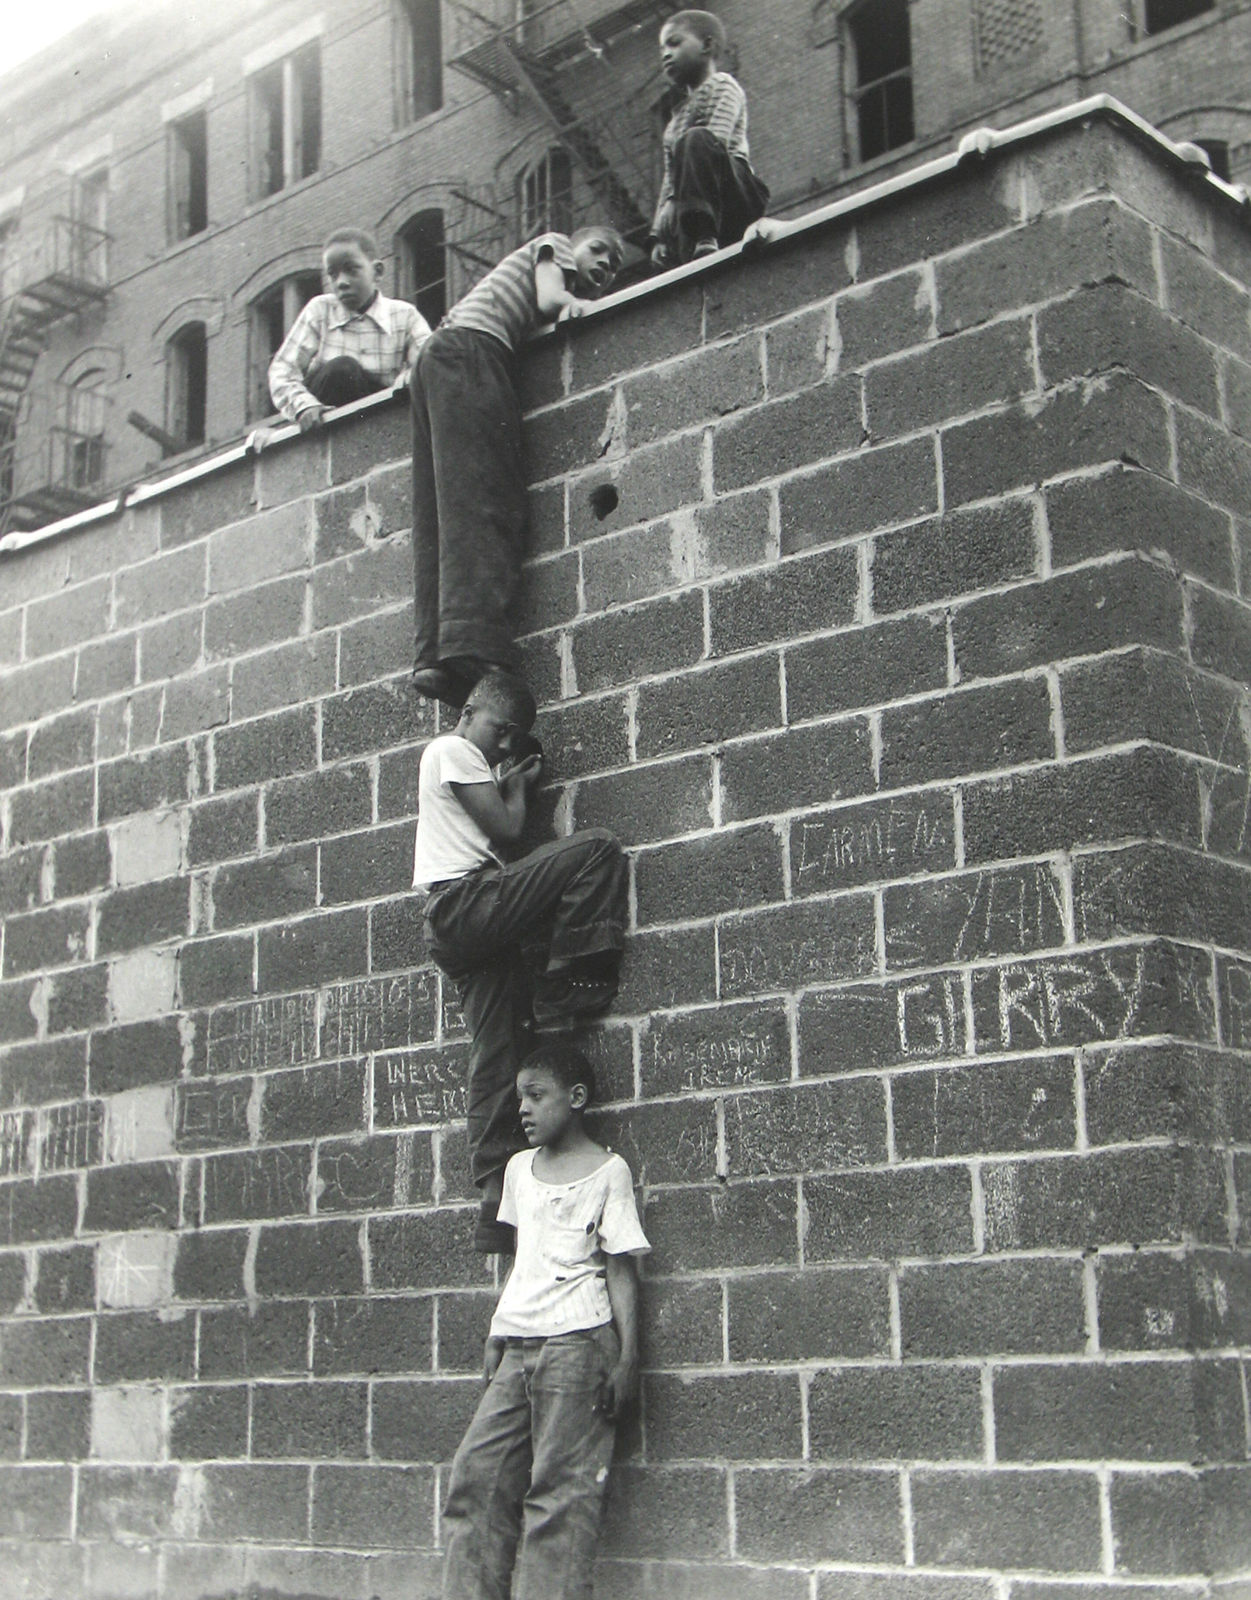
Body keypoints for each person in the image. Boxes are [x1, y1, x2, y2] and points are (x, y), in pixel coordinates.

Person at [413, 669, 629, 1252]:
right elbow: (507, 827)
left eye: (510, 739)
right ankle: (570, 978)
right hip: (464, 903)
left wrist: (510, 779)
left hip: (468, 923)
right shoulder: (450, 747)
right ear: (471, 715)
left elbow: (497, 833)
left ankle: (494, 1201)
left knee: (497, 1052)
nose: (503, 746)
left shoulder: (468, 761)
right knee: (597, 849)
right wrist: (519, 788)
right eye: (501, 732)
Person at [441, 1040, 648, 1600]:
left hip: (579, 1345)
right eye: (518, 1098)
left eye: (536, 1095)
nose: (523, 1109)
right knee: (476, 1478)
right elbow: (523, 1260)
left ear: (576, 1098)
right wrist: (497, 1331)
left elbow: (621, 1267)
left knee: (559, 1496)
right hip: (518, 1346)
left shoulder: (610, 1171)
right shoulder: (516, 1170)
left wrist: (628, 1358)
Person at [409, 225, 625, 707]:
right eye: (598, 251)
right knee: (487, 496)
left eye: (613, 266)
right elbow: (551, 299)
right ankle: (476, 646)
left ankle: (433, 659)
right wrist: (573, 304)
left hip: (435, 358)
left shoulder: (496, 297)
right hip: (472, 353)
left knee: (438, 514)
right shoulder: (554, 246)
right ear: (574, 246)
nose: (605, 266)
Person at [267, 228, 431, 427]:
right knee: (343, 369)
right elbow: (282, 371)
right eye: (332, 275)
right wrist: (304, 406)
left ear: (377, 272)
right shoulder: (320, 310)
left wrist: (406, 380)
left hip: (377, 412)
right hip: (324, 411)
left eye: (351, 270)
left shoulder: (405, 315)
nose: (341, 282)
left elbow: (427, 369)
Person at [650, 10, 769, 269]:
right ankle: (695, 251)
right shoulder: (674, 123)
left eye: (674, 42)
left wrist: (678, 201)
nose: (665, 54)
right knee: (685, 155)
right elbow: (670, 177)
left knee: (695, 140)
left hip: (735, 192)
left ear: (707, 45)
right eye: (662, 48)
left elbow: (717, 139)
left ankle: (705, 235)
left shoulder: (723, 85)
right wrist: (660, 234)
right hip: (696, 201)